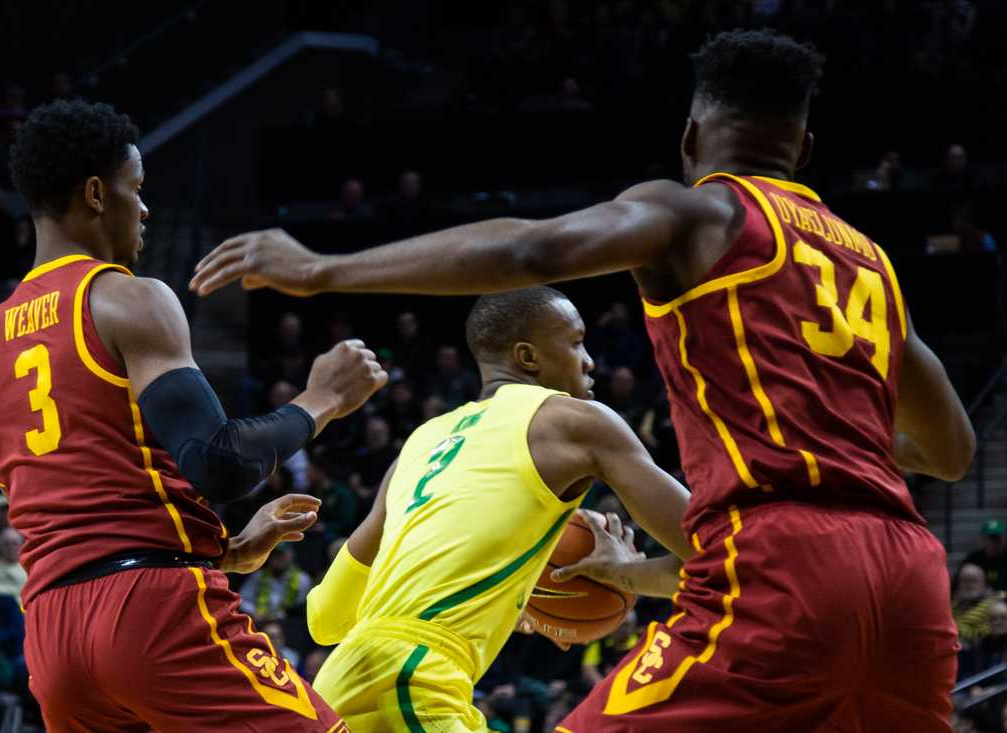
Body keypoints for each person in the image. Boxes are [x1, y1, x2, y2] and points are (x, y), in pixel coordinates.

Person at [192, 29, 975, 731]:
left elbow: (537, 250)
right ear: (805, 149)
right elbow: (950, 450)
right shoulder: (870, 264)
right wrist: (824, 440)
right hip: (908, 575)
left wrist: (322, 268)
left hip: (781, 560)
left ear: (691, 136)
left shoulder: (700, 215)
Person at [0, 99, 386, 731]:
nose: (144, 209)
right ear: (94, 193)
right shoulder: (126, 299)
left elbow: (83, 511)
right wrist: (322, 399)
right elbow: (218, 462)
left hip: (53, 636)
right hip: (152, 614)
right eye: (134, 189)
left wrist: (226, 549)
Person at [304, 287, 692, 731]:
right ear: (528, 357)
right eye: (576, 342)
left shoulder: (421, 442)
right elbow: (721, 553)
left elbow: (325, 620)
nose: (588, 360)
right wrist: (622, 573)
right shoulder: (576, 422)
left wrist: (505, 594)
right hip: (414, 681)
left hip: (341, 687)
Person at [964, 519, 1007, 591]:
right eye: (990, 538)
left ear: (1003, 539)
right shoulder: (974, 559)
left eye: (997, 538)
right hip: (978, 598)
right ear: (983, 539)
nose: (993, 542)